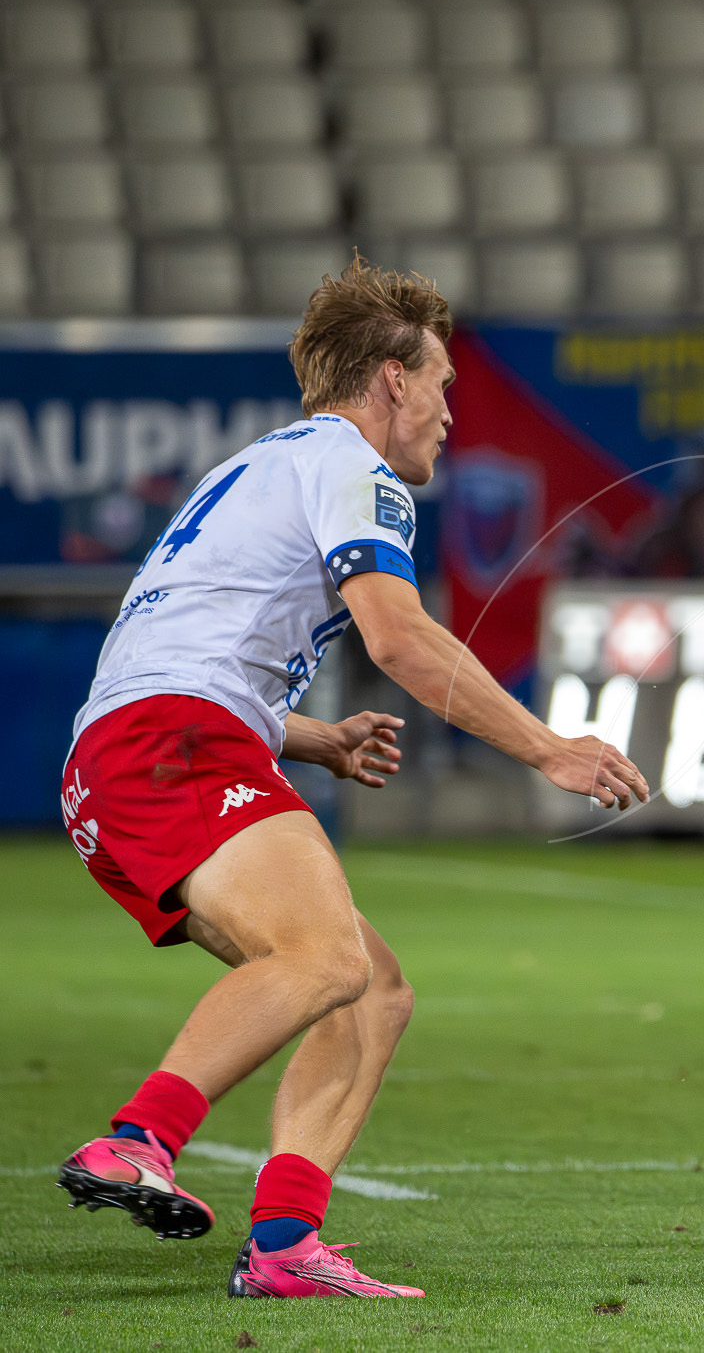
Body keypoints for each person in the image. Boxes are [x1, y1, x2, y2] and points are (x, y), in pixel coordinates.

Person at [54, 259, 649, 1298]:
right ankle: (138, 1138)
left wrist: (312, 737)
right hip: (174, 743)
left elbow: (179, 652)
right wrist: (549, 747)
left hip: (124, 759)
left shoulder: (255, 465)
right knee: (324, 957)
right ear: (392, 379)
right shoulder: (350, 463)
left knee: (371, 991)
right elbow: (402, 639)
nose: (450, 413)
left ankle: (285, 1242)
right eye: (443, 385)